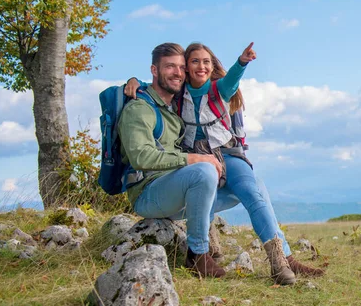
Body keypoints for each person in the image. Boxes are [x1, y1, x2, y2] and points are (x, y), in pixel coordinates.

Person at [121, 42, 324, 285]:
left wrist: (242, 62)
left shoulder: (184, 98)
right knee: (204, 171)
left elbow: (176, 83)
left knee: (253, 185)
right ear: (154, 70)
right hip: (151, 192)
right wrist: (132, 82)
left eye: (180, 67)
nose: (178, 72)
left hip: (190, 179)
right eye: (172, 67)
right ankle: (198, 254)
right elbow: (141, 155)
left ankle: (282, 259)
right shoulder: (145, 106)